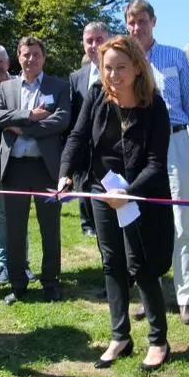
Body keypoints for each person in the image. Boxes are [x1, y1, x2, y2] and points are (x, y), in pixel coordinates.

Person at [59, 35, 173, 371]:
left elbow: (156, 162)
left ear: (138, 68)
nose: (113, 75)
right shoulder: (96, 96)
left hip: (139, 194)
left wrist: (127, 193)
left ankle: (158, 340)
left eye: (120, 67)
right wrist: (66, 173)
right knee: (112, 264)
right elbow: (78, 138)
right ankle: (119, 336)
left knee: (142, 265)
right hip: (100, 190)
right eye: (107, 68)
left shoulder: (155, 105)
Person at [125, 0, 189, 325]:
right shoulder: (125, 62)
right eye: (131, 23)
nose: (136, 28)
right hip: (139, 147)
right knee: (144, 222)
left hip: (175, 141)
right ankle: (150, 293)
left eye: (141, 21)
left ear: (153, 21)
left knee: (180, 221)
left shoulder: (175, 56)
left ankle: (186, 296)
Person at [0, 36, 70, 305]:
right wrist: (29, 116)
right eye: (25, 54)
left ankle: (50, 282)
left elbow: (61, 119)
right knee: (14, 228)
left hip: (46, 169)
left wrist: (23, 129)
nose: (30, 59)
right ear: (18, 57)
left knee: (50, 228)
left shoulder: (58, 86)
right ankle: (18, 283)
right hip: (15, 169)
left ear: (43, 57)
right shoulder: (6, 88)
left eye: (35, 54)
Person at [0, 44, 37, 286]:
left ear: (8, 63)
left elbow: (25, 118)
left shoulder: (18, 86)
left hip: (16, 160)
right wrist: (7, 123)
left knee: (20, 214)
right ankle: (2, 265)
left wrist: (8, 121)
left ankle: (22, 264)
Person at [68, 22, 110, 238]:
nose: (94, 45)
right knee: (85, 188)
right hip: (86, 149)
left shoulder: (120, 71)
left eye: (99, 39)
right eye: (89, 41)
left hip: (113, 149)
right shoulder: (76, 78)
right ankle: (89, 224)